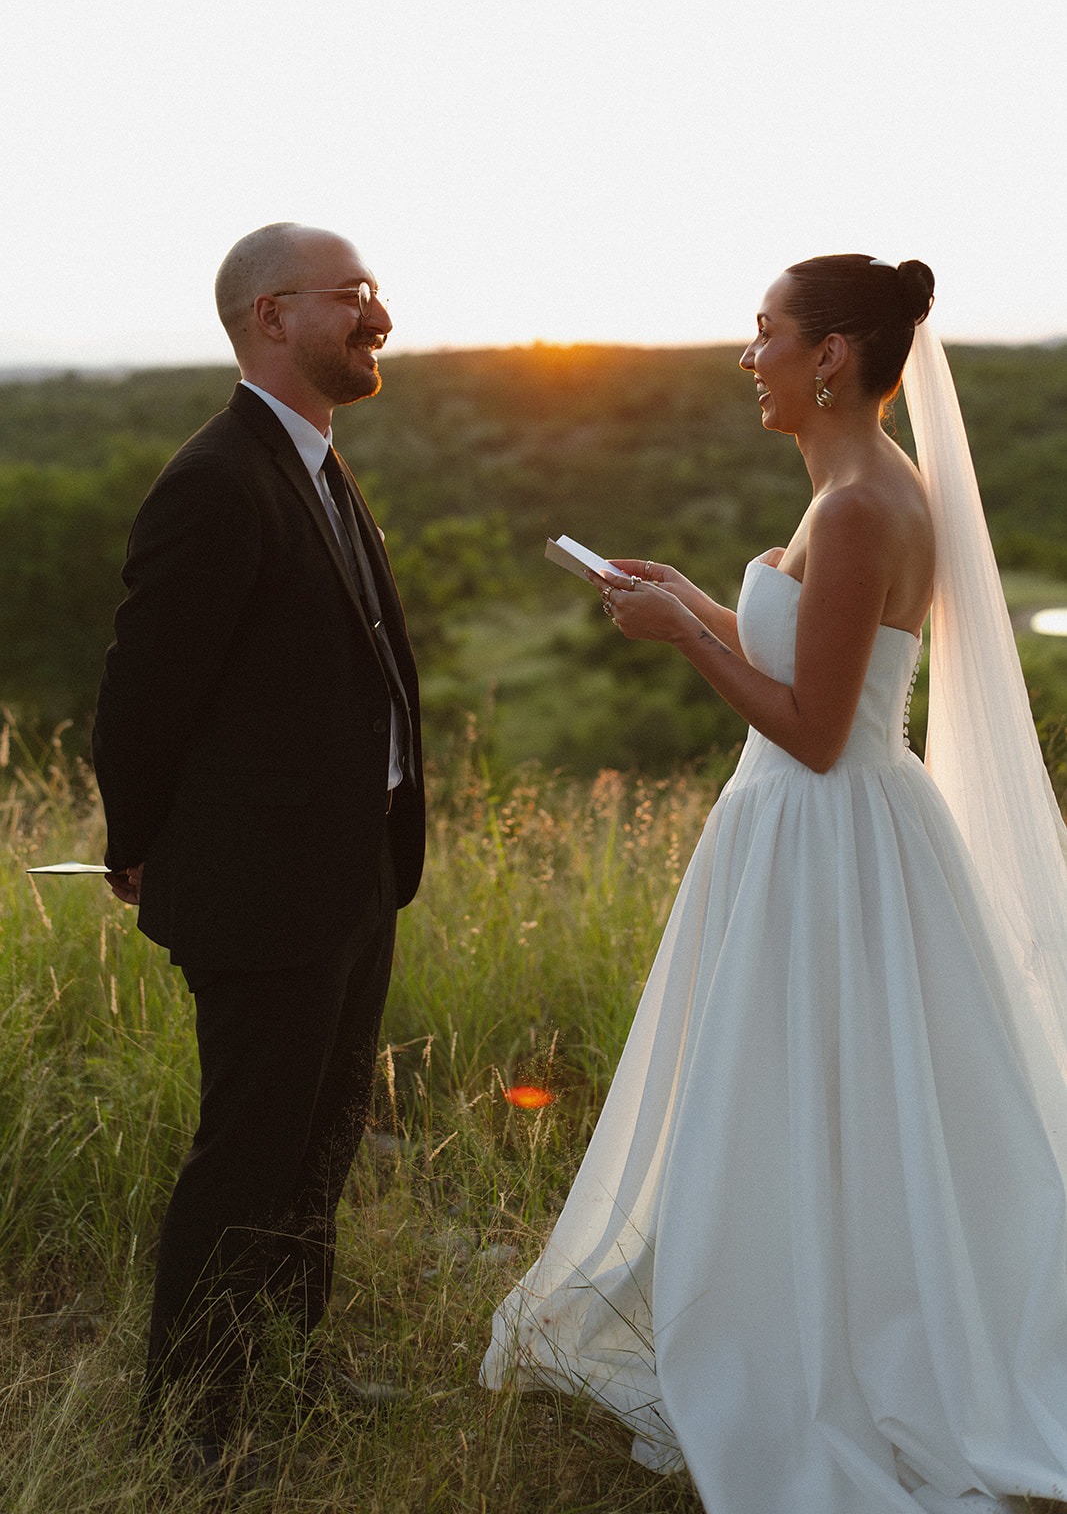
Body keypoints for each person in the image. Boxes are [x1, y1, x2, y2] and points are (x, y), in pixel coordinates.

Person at [481, 256, 1067, 1514]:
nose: (745, 356)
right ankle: (793, 1300)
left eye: (764, 333)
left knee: (818, 1095)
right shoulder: (841, 490)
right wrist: (684, 593)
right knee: (801, 1094)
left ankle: (833, 1348)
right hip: (799, 829)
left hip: (830, 837)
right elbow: (807, 659)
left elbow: (814, 727)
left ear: (831, 357)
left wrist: (687, 637)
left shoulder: (861, 504)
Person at [93, 222, 425, 1478]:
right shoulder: (215, 478)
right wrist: (140, 847)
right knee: (244, 1155)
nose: (378, 314)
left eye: (374, 292)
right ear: (271, 316)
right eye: (354, 297)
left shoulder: (319, 461)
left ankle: (291, 1362)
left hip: (351, 874)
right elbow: (144, 694)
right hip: (261, 888)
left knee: (320, 1136)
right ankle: (194, 1432)